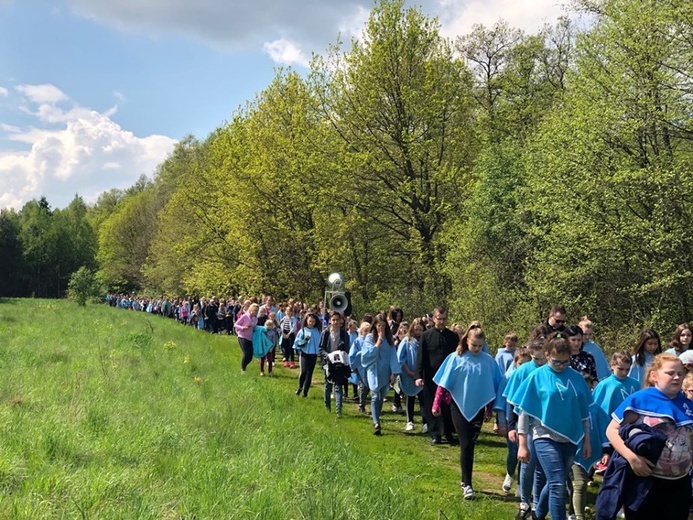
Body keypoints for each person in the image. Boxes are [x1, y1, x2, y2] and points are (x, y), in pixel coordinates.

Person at [597, 353, 693, 520]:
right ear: (654, 375)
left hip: (679, 483)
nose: (677, 377)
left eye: (680, 373)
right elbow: (611, 430)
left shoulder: (687, 404)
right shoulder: (640, 399)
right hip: (645, 482)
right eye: (670, 373)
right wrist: (633, 459)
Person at [515, 332, 592, 520]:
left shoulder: (576, 378)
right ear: (547, 355)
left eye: (565, 362)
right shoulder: (536, 376)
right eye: (557, 362)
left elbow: (584, 413)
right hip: (544, 436)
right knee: (558, 484)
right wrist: (523, 444)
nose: (561, 366)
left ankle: (538, 514)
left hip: (571, 437)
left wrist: (587, 439)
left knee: (553, 482)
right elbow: (525, 412)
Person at [432, 327, 502, 499]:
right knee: (466, 443)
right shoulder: (456, 358)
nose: (477, 349)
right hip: (458, 405)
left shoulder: (488, 361)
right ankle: (467, 484)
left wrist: (490, 408)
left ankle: (465, 479)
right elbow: (443, 382)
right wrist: (436, 403)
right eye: (474, 345)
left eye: (480, 345)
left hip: (478, 408)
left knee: (471, 443)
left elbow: (493, 385)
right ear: (466, 341)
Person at [505, 338, 548, 519]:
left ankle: (537, 504)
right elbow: (511, 400)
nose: (540, 363)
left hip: (545, 425)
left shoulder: (549, 372)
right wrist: (511, 426)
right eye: (536, 360)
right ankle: (524, 501)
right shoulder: (523, 371)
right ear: (531, 355)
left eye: (543, 360)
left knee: (541, 468)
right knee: (527, 464)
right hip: (526, 425)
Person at [568, 374, 611, 520]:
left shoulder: (596, 409)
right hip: (572, 451)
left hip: (591, 451)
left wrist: (606, 450)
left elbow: (604, 429)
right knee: (578, 484)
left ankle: (573, 512)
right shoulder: (569, 407)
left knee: (581, 484)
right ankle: (578, 515)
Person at [415, 307, 459, 445]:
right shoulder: (426, 336)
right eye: (439, 319)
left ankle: (448, 432)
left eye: (444, 319)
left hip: (448, 377)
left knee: (448, 405)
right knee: (431, 404)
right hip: (430, 376)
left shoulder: (453, 336)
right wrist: (418, 376)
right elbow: (420, 357)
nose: (441, 321)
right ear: (433, 319)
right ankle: (435, 434)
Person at [494, 347, 531, 494]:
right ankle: (510, 474)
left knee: (525, 453)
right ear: (515, 363)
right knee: (513, 452)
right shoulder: (509, 377)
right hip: (512, 421)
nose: (524, 367)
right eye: (521, 363)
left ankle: (522, 486)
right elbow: (503, 401)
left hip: (526, 421)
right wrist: (503, 423)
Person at [362, 314, 401, 435]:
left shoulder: (390, 340)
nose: (381, 328)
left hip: (386, 372)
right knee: (374, 395)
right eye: (379, 326)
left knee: (381, 396)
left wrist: (394, 372)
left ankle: (377, 416)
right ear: (375, 326)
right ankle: (376, 423)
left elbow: (393, 356)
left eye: (383, 326)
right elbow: (367, 354)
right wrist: (378, 342)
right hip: (374, 370)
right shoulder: (369, 338)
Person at [319, 312, 351, 418]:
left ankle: (338, 411)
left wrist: (341, 355)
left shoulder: (344, 334)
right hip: (328, 362)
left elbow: (347, 348)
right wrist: (327, 356)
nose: (336, 322)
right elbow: (321, 348)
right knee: (328, 384)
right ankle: (327, 407)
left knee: (338, 386)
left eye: (337, 320)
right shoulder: (326, 333)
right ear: (330, 321)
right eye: (333, 320)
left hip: (339, 362)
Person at [593, 351, 640, 419]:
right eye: (620, 369)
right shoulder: (604, 385)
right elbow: (597, 410)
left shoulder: (635, 383)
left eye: (627, 369)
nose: (624, 373)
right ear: (612, 365)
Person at [397, 318, 425, 432]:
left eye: (420, 330)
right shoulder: (407, 341)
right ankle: (410, 421)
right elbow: (400, 358)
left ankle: (425, 422)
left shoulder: (425, 340)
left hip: (422, 374)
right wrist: (408, 372)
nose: (418, 332)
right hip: (409, 374)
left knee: (423, 398)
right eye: (416, 329)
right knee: (411, 397)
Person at [293, 312, 322, 397]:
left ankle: (305, 392)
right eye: (310, 321)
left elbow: (321, 342)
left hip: (313, 354)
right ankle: (300, 388)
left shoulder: (318, 331)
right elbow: (297, 343)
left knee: (310, 374)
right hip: (304, 353)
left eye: (313, 321)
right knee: (303, 372)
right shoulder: (303, 330)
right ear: (306, 321)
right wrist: (305, 340)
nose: (311, 323)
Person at [579, 317, 611, 381]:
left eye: (590, 334)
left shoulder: (594, 347)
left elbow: (602, 366)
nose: (587, 337)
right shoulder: (573, 345)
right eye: (585, 334)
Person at [349, 321, 371, 415]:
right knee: (363, 386)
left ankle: (366, 403)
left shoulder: (372, 340)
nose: (367, 333)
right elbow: (352, 354)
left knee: (369, 386)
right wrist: (360, 354)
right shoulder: (358, 341)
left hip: (370, 366)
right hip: (361, 366)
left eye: (369, 331)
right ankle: (361, 406)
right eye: (365, 331)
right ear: (361, 331)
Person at [234, 302, 259, 373]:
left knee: (250, 356)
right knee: (246, 353)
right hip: (242, 336)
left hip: (250, 338)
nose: (256, 312)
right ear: (251, 309)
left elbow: (254, 327)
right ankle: (243, 369)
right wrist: (243, 328)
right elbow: (235, 324)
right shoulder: (245, 316)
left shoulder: (255, 319)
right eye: (255, 310)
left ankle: (244, 366)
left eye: (257, 311)